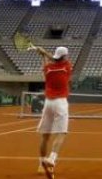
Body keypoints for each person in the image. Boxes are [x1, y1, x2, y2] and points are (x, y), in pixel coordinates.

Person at [35, 46, 72, 179]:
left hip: (48, 103)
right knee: (62, 133)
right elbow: (56, 59)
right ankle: (52, 157)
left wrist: (42, 54)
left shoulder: (48, 69)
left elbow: (48, 63)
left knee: (45, 136)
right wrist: (44, 52)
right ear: (64, 56)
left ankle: (41, 163)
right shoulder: (66, 66)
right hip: (60, 103)